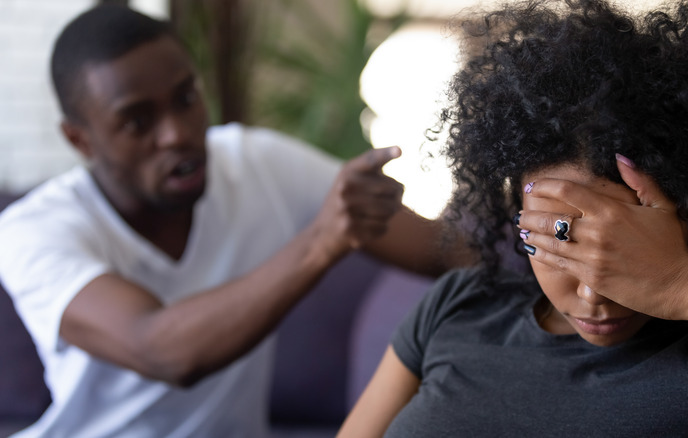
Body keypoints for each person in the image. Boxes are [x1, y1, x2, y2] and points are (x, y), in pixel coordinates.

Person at [0, 5, 472, 437]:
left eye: (185, 99)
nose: (177, 134)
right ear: (79, 140)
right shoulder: (30, 231)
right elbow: (159, 349)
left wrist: (537, 235)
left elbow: (445, 250)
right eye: (138, 122)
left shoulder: (255, 163)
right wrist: (321, 242)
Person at [338, 0, 688, 436]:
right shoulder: (460, 305)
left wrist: (681, 283)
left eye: (619, 242)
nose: (593, 294)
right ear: (518, 211)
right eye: (559, 238)